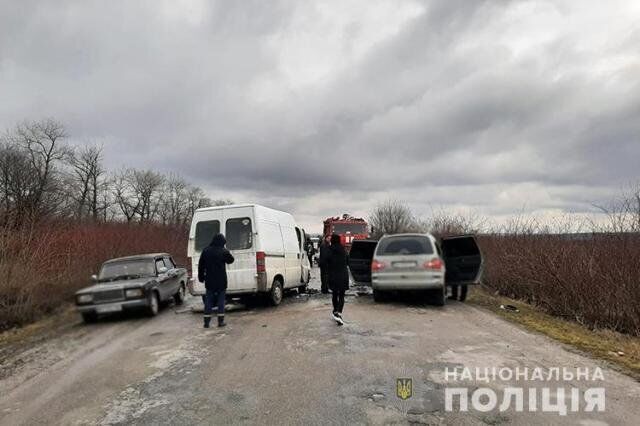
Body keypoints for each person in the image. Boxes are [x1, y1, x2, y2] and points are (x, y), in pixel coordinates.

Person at [198, 233, 234, 328]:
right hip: (221, 281)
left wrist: (201, 277)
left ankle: (206, 322)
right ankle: (220, 322)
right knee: (221, 302)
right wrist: (227, 251)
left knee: (208, 301)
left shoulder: (206, 251)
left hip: (209, 281)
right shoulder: (223, 251)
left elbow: (201, 266)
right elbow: (231, 260)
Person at [326, 233, 349, 326]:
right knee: (342, 295)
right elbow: (347, 261)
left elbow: (326, 261)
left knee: (335, 294)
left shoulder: (330, 250)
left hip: (333, 275)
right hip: (343, 275)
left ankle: (335, 311)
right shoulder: (343, 249)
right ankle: (339, 312)